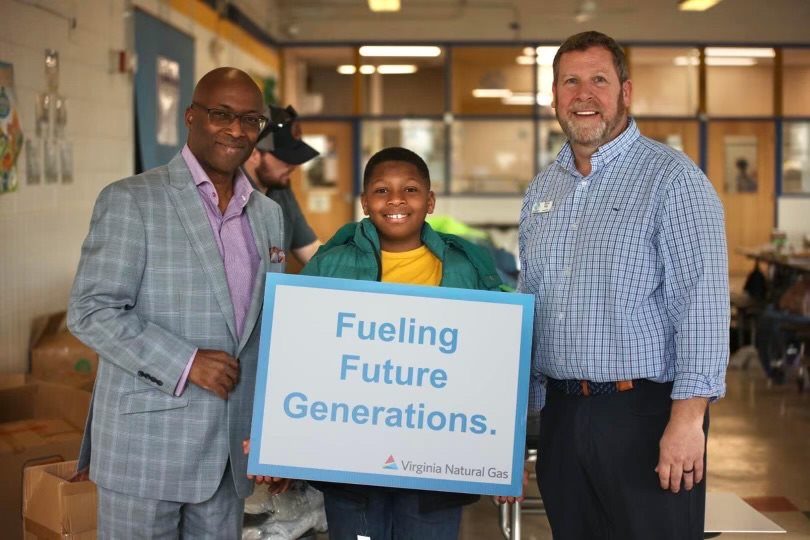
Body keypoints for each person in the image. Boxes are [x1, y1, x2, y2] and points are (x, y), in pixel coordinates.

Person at [518, 31, 729, 539]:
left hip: (645, 417)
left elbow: (701, 305)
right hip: (562, 418)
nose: (583, 94)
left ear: (625, 92)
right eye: (570, 81)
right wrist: (519, 420)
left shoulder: (672, 179)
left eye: (599, 80)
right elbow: (532, 303)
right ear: (554, 96)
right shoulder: (544, 188)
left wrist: (688, 421)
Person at [67, 67, 287, 538]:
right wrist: (186, 362)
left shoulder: (268, 215)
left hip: (228, 456)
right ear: (191, 116)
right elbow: (91, 310)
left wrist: (275, 435)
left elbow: (267, 330)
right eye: (221, 114)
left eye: (250, 120)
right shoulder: (132, 200)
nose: (236, 130)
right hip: (145, 448)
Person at [300, 146, 504, 539]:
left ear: (430, 201)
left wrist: (503, 455)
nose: (395, 200)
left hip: (438, 465)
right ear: (364, 202)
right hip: (351, 463)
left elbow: (494, 362)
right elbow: (299, 354)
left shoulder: (464, 267)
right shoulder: (330, 265)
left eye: (410, 189)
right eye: (382, 190)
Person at [242, 104, 322, 265]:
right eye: (285, 159)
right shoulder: (230, 196)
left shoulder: (281, 191)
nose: (293, 166)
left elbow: (310, 250)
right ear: (254, 155)